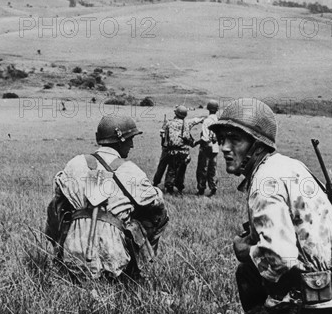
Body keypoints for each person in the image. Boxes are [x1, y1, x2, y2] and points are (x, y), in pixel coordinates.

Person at [208, 98, 332, 314]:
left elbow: (280, 261)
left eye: (234, 139)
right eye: (221, 138)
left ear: (257, 144)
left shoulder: (265, 183)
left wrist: (245, 250)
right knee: (247, 273)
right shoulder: (291, 166)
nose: (223, 147)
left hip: (308, 303)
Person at [45, 115, 168, 280]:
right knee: (157, 214)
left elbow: (56, 204)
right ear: (121, 140)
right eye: (130, 139)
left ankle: (59, 256)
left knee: (58, 205)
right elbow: (156, 204)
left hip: (72, 254)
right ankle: (140, 266)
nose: (131, 145)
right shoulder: (129, 169)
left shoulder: (76, 163)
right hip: (114, 258)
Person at [162, 106, 203, 194]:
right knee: (181, 171)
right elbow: (196, 120)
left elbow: (165, 137)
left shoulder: (169, 123)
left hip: (172, 152)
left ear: (176, 114)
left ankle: (169, 188)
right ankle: (180, 187)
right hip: (184, 152)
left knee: (171, 170)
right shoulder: (188, 123)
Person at [195, 100, 220, 196]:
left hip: (206, 147)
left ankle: (201, 189)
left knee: (202, 168)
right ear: (217, 110)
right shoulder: (218, 121)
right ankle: (213, 187)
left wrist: (197, 142)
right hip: (215, 147)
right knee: (212, 168)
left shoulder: (206, 121)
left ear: (208, 109)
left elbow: (205, 138)